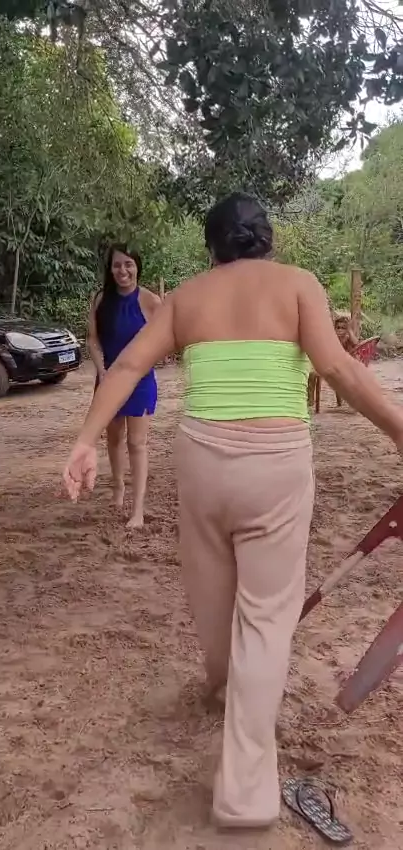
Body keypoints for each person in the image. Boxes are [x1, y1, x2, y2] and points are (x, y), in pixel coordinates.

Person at [63, 193, 403, 829]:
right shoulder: (299, 285)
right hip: (276, 464)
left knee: (212, 592)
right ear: (268, 240)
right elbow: (338, 370)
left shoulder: (187, 296)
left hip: (203, 462)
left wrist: (85, 441)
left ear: (211, 247)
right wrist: (400, 431)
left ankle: (223, 681)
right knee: (267, 615)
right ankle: (245, 791)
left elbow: (128, 364)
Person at [87, 244, 161, 528]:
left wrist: (142, 363)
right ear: (110, 268)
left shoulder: (151, 301)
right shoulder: (100, 299)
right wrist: (102, 370)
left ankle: (138, 509)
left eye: (128, 264)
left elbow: (163, 341)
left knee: (137, 443)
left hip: (140, 381)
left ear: (137, 266)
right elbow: (93, 339)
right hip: (108, 379)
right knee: (114, 438)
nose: (123, 270)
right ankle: (117, 487)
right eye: (117, 265)